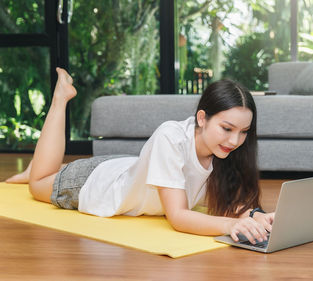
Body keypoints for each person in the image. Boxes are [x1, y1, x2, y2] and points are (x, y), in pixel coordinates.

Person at [6, 68, 274, 245]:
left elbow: (226, 202)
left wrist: (254, 216)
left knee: (51, 172)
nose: (234, 141)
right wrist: (233, 224)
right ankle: (61, 97)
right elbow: (179, 217)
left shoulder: (224, 152)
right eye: (227, 129)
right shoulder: (171, 137)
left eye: (243, 132)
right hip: (95, 183)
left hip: (126, 167)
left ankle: (47, 168)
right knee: (38, 182)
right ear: (202, 118)